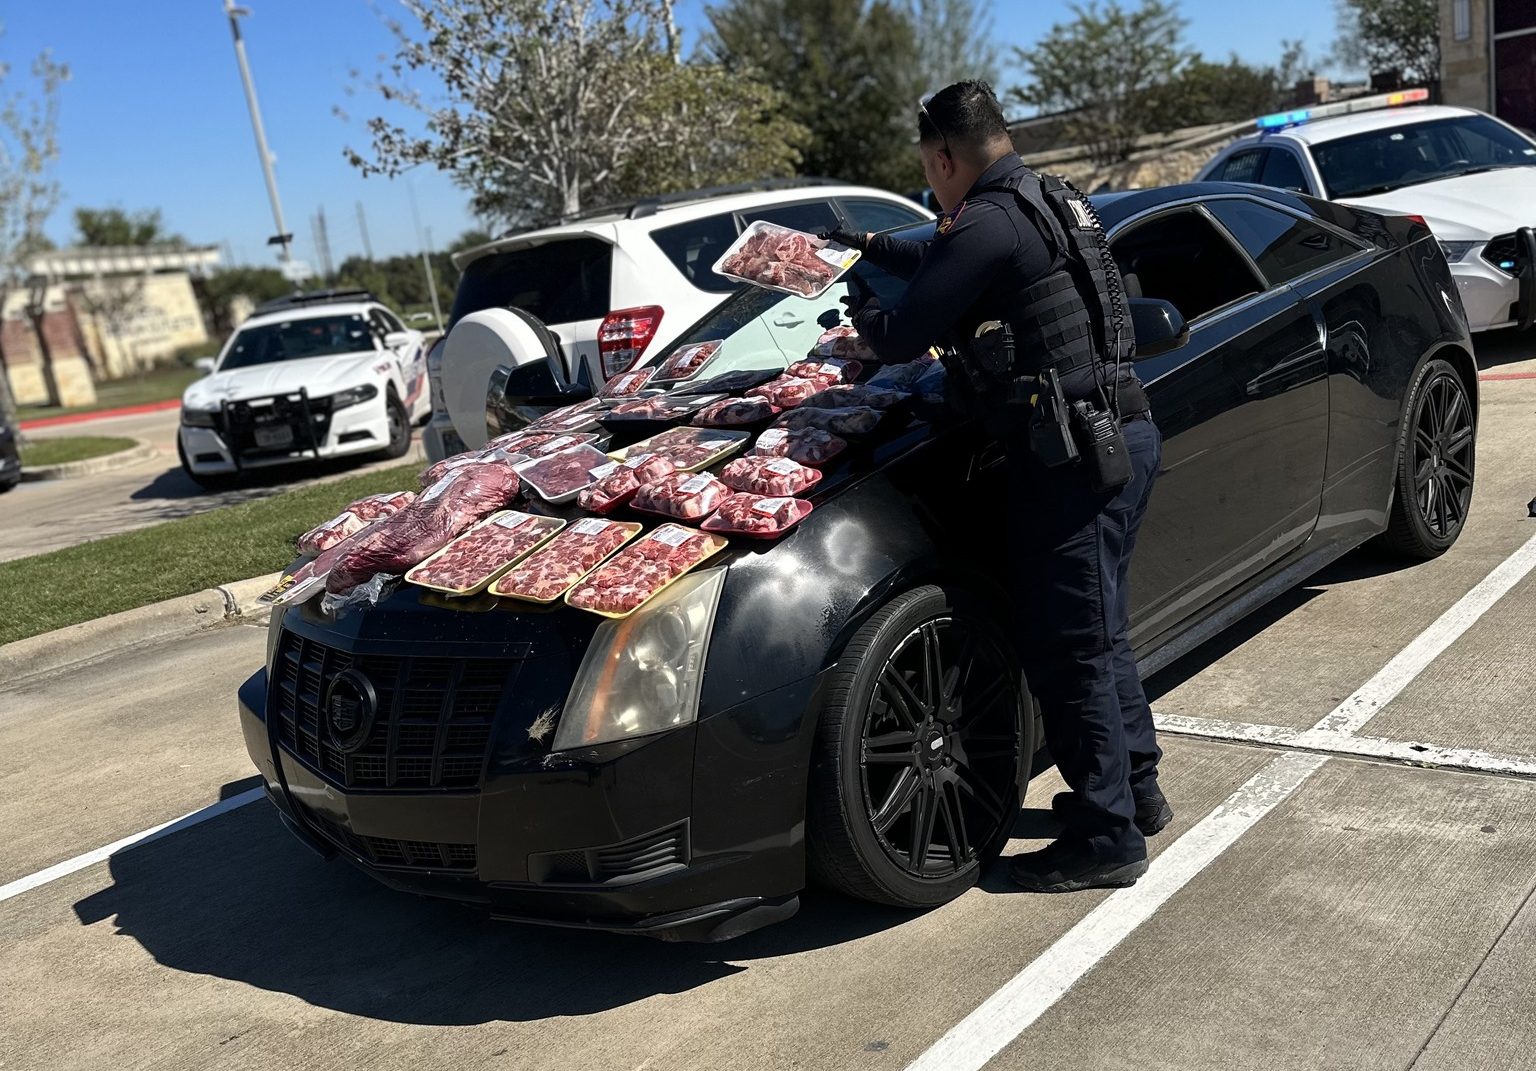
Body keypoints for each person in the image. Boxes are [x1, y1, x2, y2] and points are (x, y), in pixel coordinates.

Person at [827, 80, 1170, 893]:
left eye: (930, 172)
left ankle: (1106, 836)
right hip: (1122, 432)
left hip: (1075, 455)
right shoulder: (1048, 196)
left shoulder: (986, 219)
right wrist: (870, 245)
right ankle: (1139, 792)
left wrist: (859, 320)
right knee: (1100, 630)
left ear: (944, 156)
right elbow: (947, 254)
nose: (935, 188)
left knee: (1067, 644)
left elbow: (906, 333)